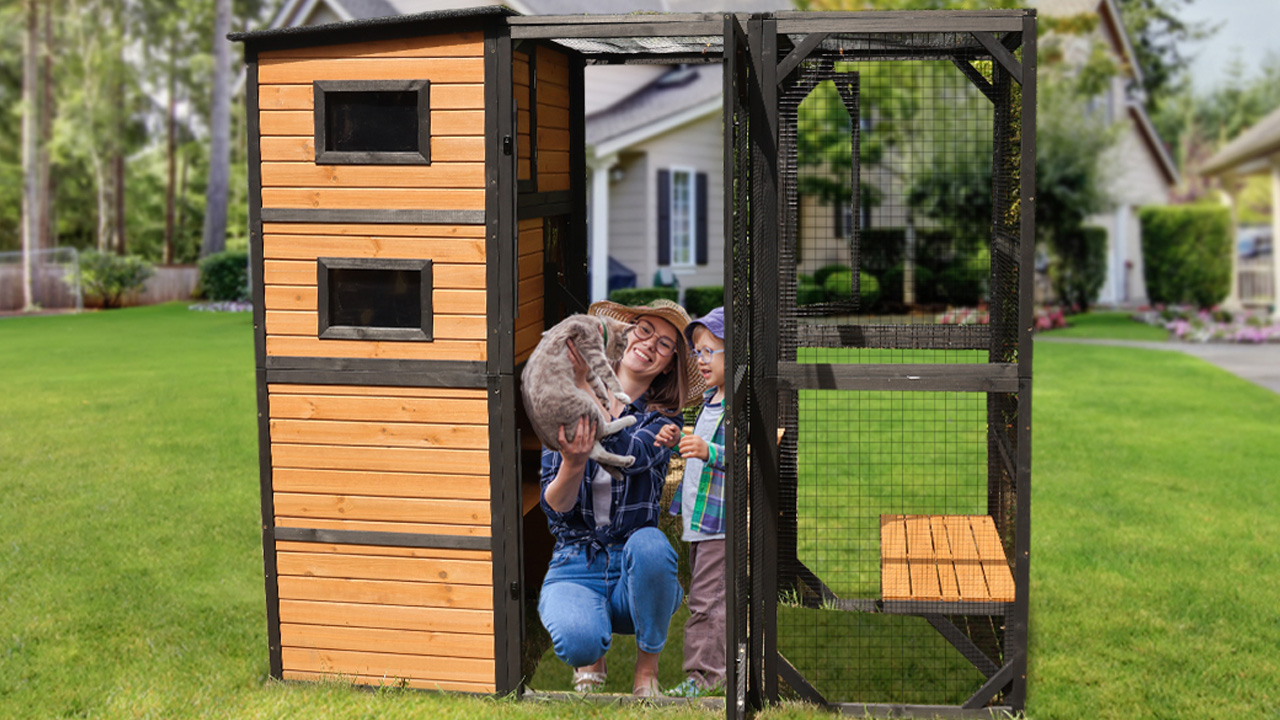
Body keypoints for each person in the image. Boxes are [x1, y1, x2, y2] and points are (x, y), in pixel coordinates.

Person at [537, 299, 706, 697]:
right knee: (577, 639)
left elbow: (633, 455)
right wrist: (572, 464)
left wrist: (589, 407)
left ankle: (646, 672)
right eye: (644, 329)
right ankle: (591, 654)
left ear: (668, 364)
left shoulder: (664, 417)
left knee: (651, 544)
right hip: (576, 558)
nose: (649, 344)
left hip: (633, 565)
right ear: (625, 333)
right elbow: (554, 507)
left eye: (665, 344)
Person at [665, 306, 728, 697]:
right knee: (706, 598)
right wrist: (679, 442)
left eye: (710, 351)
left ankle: (704, 678)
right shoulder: (709, 400)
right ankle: (714, 670)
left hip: (717, 526)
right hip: (699, 523)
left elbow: (741, 454)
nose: (701, 360)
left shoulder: (735, 405)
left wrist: (709, 451)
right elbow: (698, 451)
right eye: (697, 352)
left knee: (706, 602)